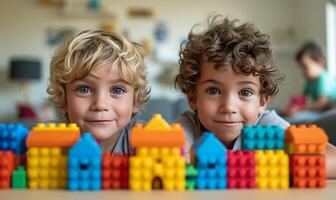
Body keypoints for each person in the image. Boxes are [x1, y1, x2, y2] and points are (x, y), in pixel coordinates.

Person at [174, 15, 336, 178]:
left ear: (262, 101)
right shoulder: (189, 125)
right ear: (193, 98)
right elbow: (174, 156)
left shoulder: (266, 124)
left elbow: (333, 159)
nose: (229, 107)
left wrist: (272, 165)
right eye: (213, 91)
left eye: (245, 92)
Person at [47, 30, 150, 154]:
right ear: (63, 98)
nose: (100, 105)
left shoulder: (149, 141)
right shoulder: (49, 142)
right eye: (84, 89)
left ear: (135, 101)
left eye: (117, 90)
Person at [283, 41, 336, 124]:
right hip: (321, 110)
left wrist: (299, 109)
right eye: (301, 67)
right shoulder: (309, 80)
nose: (303, 71)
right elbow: (303, 98)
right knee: (290, 116)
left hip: (329, 109)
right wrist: (292, 106)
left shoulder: (323, 79)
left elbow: (322, 103)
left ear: (319, 63)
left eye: (305, 67)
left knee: (296, 118)